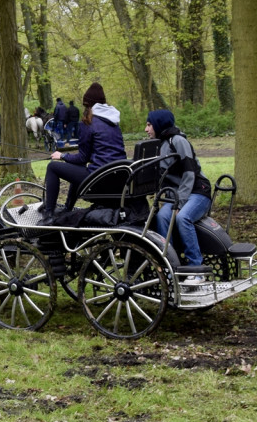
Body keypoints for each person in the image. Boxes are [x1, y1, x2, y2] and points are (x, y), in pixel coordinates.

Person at [146, 109, 213, 282]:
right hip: (176, 196)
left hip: (198, 191)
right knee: (161, 217)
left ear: (159, 124)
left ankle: (196, 268)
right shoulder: (158, 144)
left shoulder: (178, 141)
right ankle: (170, 264)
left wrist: (180, 204)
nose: (146, 129)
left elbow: (189, 174)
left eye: (149, 125)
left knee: (183, 217)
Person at [42, 82, 126, 217]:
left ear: (87, 104)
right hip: (117, 180)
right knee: (78, 168)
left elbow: (82, 158)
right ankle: (67, 209)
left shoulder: (88, 123)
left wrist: (62, 156)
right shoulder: (114, 123)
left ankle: (48, 215)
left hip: (99, 180)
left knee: (52, 167)